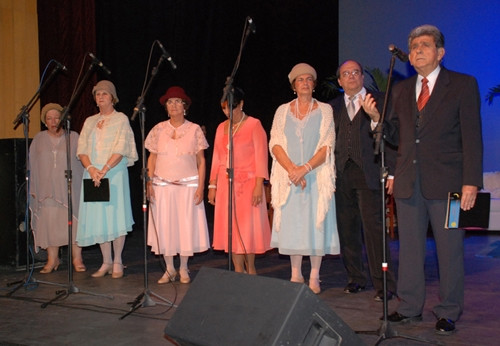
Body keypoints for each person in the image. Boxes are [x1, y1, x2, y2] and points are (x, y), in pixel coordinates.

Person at [363, 25, 483, 335]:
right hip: (408, 184)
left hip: (452, 186)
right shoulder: (402, 90)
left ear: (440, 52)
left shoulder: (462, 84)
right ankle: (409, 307)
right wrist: (376, 119)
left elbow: (472, 136)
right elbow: (392, 136)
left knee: (451, 249)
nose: (417, 50)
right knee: (411, 250)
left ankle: (448, 310)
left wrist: (471, 181)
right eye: (414, 46)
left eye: (425, 45)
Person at [328, 60, 397, 301]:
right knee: (348, 231)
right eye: (345, 74)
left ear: (362, 76)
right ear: (339, 81)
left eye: (355, 72)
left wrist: (392, 172)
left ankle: (384, 284)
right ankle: (356, 278)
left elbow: (393, 137)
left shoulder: (380, 99)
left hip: (370, 173)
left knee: (374, 231)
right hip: (341, 175)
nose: (351, 77)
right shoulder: (332, 106)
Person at [269, 63, 340, 294]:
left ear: (314, 84)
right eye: (300, 80)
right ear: (294, 85)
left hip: (315, 178)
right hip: (289, 179)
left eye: (309, 79)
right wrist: (292, 170)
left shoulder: (325, 110)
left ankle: (315, 276)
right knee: (293, 227)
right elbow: (275, 143)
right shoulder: (282, 111)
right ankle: (296, 273)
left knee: (315, 225)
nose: (305, 83)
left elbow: (327, 144)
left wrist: (305, 169)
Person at [145, 86, 210, 284]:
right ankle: (169, 269)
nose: (173, 105)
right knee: (165, 227)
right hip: (162, 185)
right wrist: (149, 182)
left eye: (177, 101)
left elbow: (201, 161)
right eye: (169, 102)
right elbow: (151, 158)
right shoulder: (158, 129)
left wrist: (200, 186)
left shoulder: (194, 129)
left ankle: (183, 268)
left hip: (187, 186)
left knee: (184, 226)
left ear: (185, 106)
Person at [76, 80, 138, 279]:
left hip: (114, 173)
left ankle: (118, 260)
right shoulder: (89, 121)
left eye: (104, 93)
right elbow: (82, 149)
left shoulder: (121, 119)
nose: (100, 96)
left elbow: (121, 147)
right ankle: (106, 261)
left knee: (115, 216)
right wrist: (92, 168)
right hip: (93, 174)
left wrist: (104, 169)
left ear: (112, 97)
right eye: (97, 94)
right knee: (100, 218)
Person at [208, 87, 271, 274]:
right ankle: (237, 269)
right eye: (225, 109)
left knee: (247, 229)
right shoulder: (221, 128)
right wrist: (212, 185)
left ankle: (250, 268)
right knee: (231, 229)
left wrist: (259, 185)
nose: (229, 112)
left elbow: (261, 157)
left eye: (232, 108)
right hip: (226, 185)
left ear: (241, 104)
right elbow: (217, 158)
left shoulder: (254, 124)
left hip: (248, 184)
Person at [29, 103, 85, 273]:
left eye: (56, 117)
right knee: (50, 224)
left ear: (63, 119)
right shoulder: (39, 139)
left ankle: (77, 258)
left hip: (69, 188)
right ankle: (52, 259)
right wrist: (34, 187)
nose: (53, 121)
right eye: (49, 118)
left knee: (74, 224)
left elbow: (82, 160)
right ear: (45, 122)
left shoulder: (74, 137)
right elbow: (32, 164)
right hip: (47, 191)